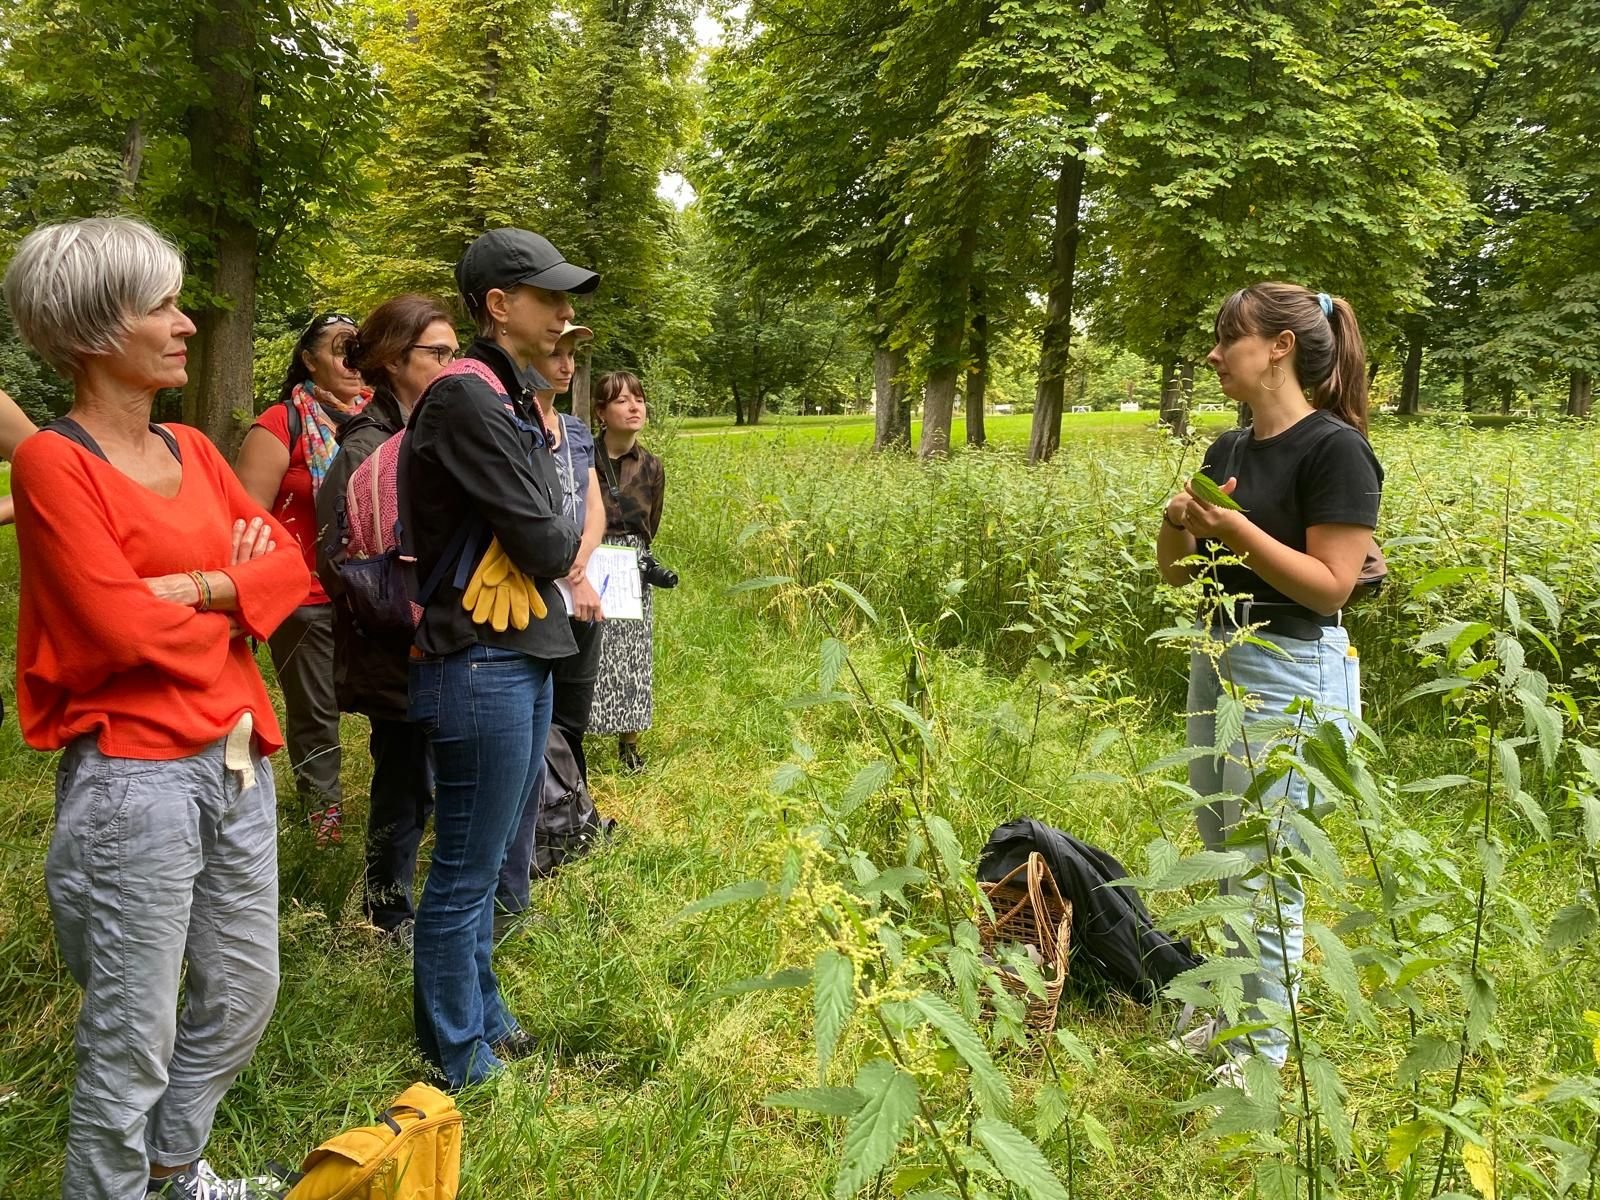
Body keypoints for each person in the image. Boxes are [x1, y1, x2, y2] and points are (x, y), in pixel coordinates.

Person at [3, 216, 309, 1200]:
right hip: (133, 780)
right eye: (160, 307)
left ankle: (175, 1167)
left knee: (243, 995)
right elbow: (115, 632)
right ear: (96, 332)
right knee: (134, 1036)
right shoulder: (55, 463)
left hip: (235, 758)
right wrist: (234, 592)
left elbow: (292, 570)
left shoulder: (193, 448)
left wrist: (212, 590)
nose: (186, 324)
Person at [1155, 283, 1382, 1087]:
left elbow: (1330, 587)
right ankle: (1230, 1014)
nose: (1215, 354)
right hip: (1219, 656)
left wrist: (1238, 531)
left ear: (1279, 346)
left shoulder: (1336, 450)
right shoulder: (1228, 451)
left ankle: (1259, 1061)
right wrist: (1182, 518)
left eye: (1230, 339)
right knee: (1224, 854)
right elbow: (1179, 574)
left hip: (1292, 668)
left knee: (1267, 870)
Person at [404, 228, 596, 1088]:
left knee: (489, 865)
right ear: (497, 306)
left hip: (517, 651)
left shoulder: (514, 400)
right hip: (474, 659)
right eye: (549, 298)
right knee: (464, 870)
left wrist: (535, 534)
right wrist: (535, 539)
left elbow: (551, 528)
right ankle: (455, 1051)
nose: (565, 313)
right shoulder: (469, 399)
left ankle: (485, 1015)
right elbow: (555, 539)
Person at [314, 295, 459, 948]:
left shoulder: (442, 429)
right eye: (439, 354)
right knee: (402, 777)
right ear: (395, 362)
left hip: (450, 634)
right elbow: (336, 556)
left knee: (431, 774)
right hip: (395, 641)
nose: (452, 365)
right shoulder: (363, 448)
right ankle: (385, 911)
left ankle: (429, 895)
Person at [235, 312, 370, 844]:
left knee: (390, 702)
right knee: (316, 711)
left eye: (360, 349)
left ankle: (394, 811)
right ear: (310, 360)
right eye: (341, 349)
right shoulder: (279, 424)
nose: (353, 360)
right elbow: (246, 521)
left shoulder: (379, 421)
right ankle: (324, 822)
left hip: (369, 592)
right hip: (304, 594)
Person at [496, 320, 607, 922]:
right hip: (530, 590)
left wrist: (581, 565)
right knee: (535, 709)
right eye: (556, 353)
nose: (565, 366)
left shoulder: (577, 432)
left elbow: (592, 508)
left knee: (573, 706)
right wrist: (568, 572)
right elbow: (525, 519)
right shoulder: (509, 427)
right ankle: (538, 826)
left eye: (572, 356)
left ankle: (571, 809)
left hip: (580, 582)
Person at [588, 370, 666, 772]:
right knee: (588, 649)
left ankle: (629, 744)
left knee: (633, 654)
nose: (634, 406)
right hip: (589, 559)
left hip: (632, 563)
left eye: (638, 398)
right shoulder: (583, 456)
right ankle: (571, 736)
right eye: (621, 400)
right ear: (601, 411)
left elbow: (650, 524)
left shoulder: (652, 466)